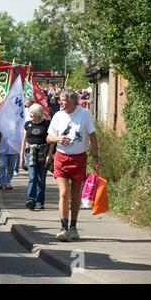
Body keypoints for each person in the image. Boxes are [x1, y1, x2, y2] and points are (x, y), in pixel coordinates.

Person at [46, 89, 99, 242]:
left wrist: (96, 159)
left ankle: (73, 227)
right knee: (63, 193)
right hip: (62, 158)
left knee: (75, 195)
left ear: (73, 102)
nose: (60, 102)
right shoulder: (57, 115)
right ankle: (63, 228)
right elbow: (48, 137)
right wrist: (58, 139)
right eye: (60, 100)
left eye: (63, 100)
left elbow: (93, 137)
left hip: (79, 158)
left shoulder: (84, 114)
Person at [21, 104, 54, 210]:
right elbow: (24, 140)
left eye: (32, 114)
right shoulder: (28, 124)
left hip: (43, 153)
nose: (30, 116)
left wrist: (50, 154)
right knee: (32, 177)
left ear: (39, 115)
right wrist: (21, 157)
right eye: (30, 114)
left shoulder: (47, 124)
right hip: (30, 153)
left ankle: (40, 201)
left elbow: (52, 141)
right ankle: (31, 200)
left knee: (41, 178)